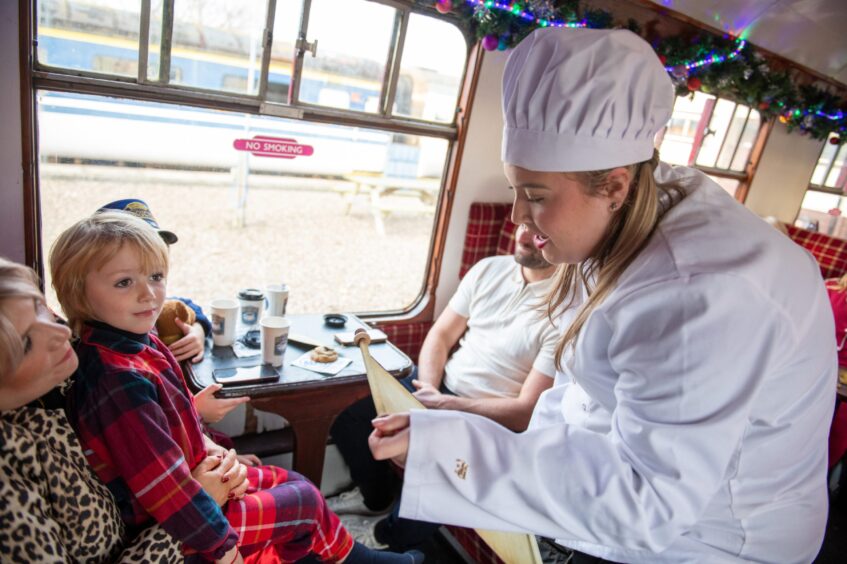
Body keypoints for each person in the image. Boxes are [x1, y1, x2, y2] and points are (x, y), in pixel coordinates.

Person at [368, 28, 834, 564]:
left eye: (536, 196)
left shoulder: (699, 292)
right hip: (612, 497)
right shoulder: (620, 215)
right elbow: (579, 393)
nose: (518, 215)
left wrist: (448, 447)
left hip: (709, 541)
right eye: (516, 188)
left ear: (613, 186)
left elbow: (648, 500)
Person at [50, 212, 422, 563]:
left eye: (156, 277)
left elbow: (177, 429)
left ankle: (327, 555)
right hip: (180, 526)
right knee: (303, 502)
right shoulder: (118, 382)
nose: (149, 294)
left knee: (294, 481)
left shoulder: (140, 341)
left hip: (195, 483)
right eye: (124, 282)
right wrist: (223, 550)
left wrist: (215, 449)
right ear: (78, 292)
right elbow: (165, 493)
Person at [329, 223, 560, 549]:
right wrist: (429, 391)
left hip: (489, 417)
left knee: (445, 465)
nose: (523, 236)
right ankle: (374, 497)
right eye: (523, 225)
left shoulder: (565, 310)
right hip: (440, 389)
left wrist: (444, 408)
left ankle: (385, 540)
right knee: (347, 405)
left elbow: (524, 412)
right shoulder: (489, 270)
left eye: (539, 231)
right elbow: (440, 336)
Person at [0, 256, 186, 561]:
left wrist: (195, 330)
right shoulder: (8, 490)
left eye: (39, 308)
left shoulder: (66, 366)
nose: (59, 332)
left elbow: (155, 308)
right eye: (25, 344)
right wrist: (181, 527)